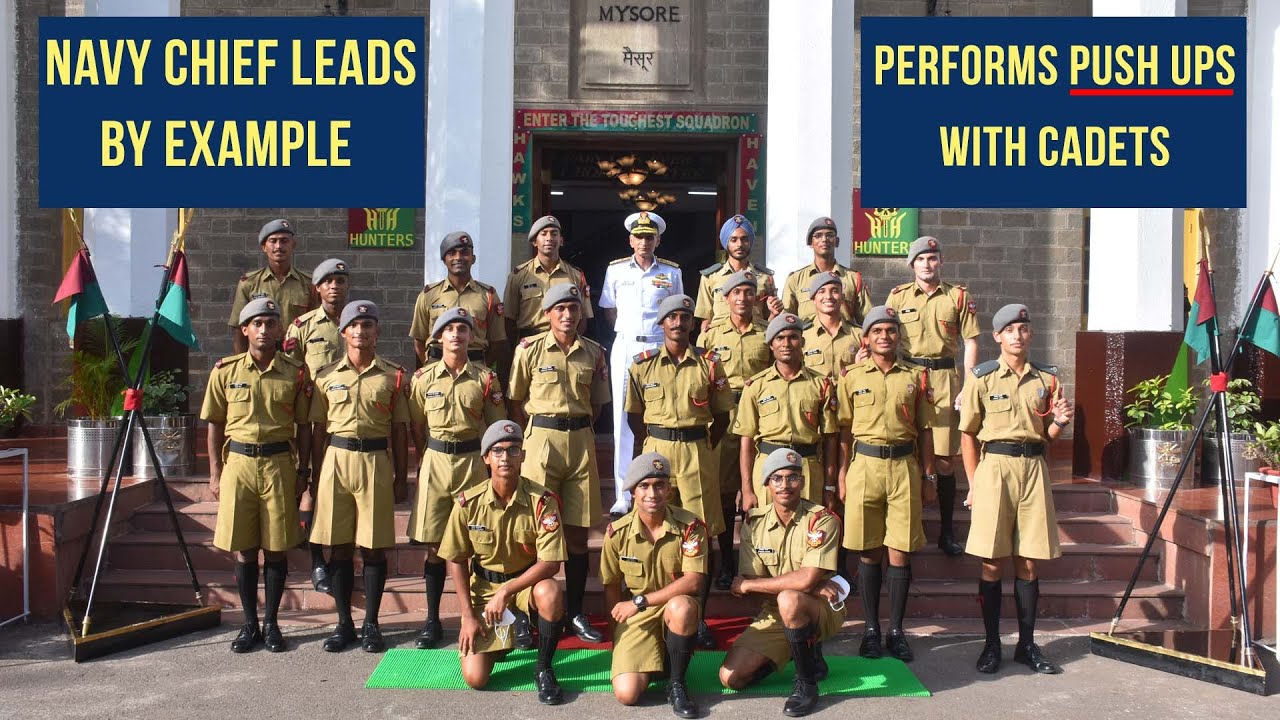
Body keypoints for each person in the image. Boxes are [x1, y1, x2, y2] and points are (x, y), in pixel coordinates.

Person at [959, 303, 1073, 676]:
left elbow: (1047, 438)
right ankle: (991, 645)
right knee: (992, 561)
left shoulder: (1047, 380)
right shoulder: (982, 377)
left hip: (1033, 468)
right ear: (997, 337)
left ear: (1031, 334)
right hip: (995, 470)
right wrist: (974, 484)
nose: (1018, 335)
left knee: (1028, 560)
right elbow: (968, 435)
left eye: (1023, 329)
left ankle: (1026, 645)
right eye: (1010, 330)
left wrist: (1059, 423)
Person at [201, 298, 311, 654]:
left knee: (277, 548)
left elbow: (305, 427)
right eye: (257, 323)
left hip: (279, 464)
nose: (265, 330)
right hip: (240, 466)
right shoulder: (225, 371)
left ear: (280, 329)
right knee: (245, 550)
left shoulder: (295, 372)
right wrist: (214, 474)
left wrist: (303, 472)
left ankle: (273, 624)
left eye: (271, 323)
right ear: (245, 330)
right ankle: (250, 624)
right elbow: (215, 424)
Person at [626, 293, 732, 649]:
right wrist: (657, 442)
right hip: (656, 447)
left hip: (695, 451)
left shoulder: (710, 364)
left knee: (700, 531)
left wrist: (697, 446)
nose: (678, 323)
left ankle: (697, 615)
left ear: (691, 323)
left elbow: (722, 417)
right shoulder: (642, 365)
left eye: (684, 317)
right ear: (661, 324)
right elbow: (634, 417)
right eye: (671, 317)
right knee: (653, 526)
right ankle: (655, 608)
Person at [508, 282, 611, 644]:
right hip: (542, 442)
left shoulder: (594, 353)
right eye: (560, 309)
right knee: (534, 531)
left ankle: (576, 612)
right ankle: (525, 614)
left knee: (579, 533)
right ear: (547, 314)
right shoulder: (529, 350)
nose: (568, 315)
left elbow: (597, 405)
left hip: (580, 441)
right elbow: (516, 400)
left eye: (574, 308)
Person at [439, 421, 568, 705]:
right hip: (485, 589)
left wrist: (507, 591)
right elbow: (456, 559)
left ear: (523, 456)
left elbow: (551, 562)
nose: (505, 458)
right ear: (486, 458)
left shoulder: (541, 501)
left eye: (513, 451)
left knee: (551, 591)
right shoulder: (467, 503)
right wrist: (467, 615)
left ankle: (544, 667)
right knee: (476, 679)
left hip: (524, 587)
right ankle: (503, 640)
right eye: (497, 451)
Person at [308, 301, 410, 653]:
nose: (361, 331)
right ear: (343, 332)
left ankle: (372, 624)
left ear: (377, 332)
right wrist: (316, 475)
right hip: (336, 461)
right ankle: (343, 624)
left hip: (375, 461)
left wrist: (400, 477)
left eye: (368, 325)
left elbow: (400, 430)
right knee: (337, 546)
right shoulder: (326, 377)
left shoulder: (393, 376)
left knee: (373, 546)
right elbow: (318, 431)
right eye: (355, 325)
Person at [836, 306, 933, 662]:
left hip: (904, 466)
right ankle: (871, 630)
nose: (884, 337)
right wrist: (842, 473)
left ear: (898, 336)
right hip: (864, 466)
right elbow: (844, 429)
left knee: (901, 550)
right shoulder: (851, 376)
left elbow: (925, 430)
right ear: (866, 338)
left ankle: (896, 630)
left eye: (891, 331)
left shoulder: (917, 377)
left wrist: (929, 474)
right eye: (877, 331)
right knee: (867, 550)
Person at [407, 307, 507, 650]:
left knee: (479, 543)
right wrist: (427, 456)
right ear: (437, 338)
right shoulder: (422, 379)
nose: (456, 334)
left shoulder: (486, 379)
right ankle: (432, 620)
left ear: (472, 337)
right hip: (436, 462)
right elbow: (416, 426)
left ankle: (487, 619)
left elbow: (495, 429)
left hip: (471, 463)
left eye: (463, 329)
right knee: (436, 545)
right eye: (449, 329)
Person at [719, 449, 843, 718]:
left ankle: (806, 684)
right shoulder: (754, 522)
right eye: (777, 479)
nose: (785, 485)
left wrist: (807, 585)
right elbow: (749, 579)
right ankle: (801, 652)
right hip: (776, 610)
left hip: (821, 606)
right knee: (731, 678)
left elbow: (751, 585)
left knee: (790, 598)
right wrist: (805, 582)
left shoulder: (821, 520)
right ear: (767, 484)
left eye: (792, 478)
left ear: (803, 481)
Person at [886, 236, 980, 557]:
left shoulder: (957, 296)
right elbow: (882, 336)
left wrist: (969, 385)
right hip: (908, 377)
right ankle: (909, 529)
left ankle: (947, 532)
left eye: (933, 258)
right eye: (921, 259)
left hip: (944, 380)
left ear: (941, 261)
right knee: (907, 452)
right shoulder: (898, 297)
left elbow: (972, 342)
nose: (928, 264)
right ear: (912, 264)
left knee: (943, 459)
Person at [600, 452, 706, 718]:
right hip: (639, 617)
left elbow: (693, 580)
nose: (652, 493)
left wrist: (640, 601)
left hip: (668, 606)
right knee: (627, 694)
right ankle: (658, 660)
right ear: (633, 491)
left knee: (682, 607)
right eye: (644, 486)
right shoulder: (617, 533)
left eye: (659, 485)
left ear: (669, 489)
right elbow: (611, 585)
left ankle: (677, 683)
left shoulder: (689, 526)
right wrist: (617, 637)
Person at [599, 210, 684, 518]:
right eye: (639, 237)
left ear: (658, 239)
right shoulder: (617, 271)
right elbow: (609, 310)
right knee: (622, 418)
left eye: (650, 237)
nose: (644, 242)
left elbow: (676, 312)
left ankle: (660, 485)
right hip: (627, 344)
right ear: (630, 240)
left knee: (659, 415)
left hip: (659, 345)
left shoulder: (672, 273)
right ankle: (624, 493)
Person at [696, 269, 771, 591]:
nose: (742, 298)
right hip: (725, 415)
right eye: (735, 293)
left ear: (756, 298)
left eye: (747, 292)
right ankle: (726, 562)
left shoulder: (768, 332)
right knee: (726, 494)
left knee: (763, 490)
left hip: (763, 415)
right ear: (725, 299)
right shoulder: (711, 335)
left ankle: (762, 563)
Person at [283, 257, 349, 594]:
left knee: (333, 492)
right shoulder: (302, 327)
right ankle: (317, 562)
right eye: (328, 282)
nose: (335, 287)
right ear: (318, 288)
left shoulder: (356, 323)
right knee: (309, 488)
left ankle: (339, 561)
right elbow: (290, 375)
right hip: (309, 421)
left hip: (343, 422)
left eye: (340, 282)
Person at [733, 313, 839, 513]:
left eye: (793, 337)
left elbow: (830, 438)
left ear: (802, 341)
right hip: (768, 466)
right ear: (771, 345)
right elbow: (746, 440)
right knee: (766, 535)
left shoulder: (820, 384)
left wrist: (829, 485)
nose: (787, 343)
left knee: (808, 534)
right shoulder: (756, 385)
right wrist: (747, 489)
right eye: (780, 338)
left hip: (807, 467)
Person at [409, 231, 508, 373]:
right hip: (435, 368)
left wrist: (481, 366)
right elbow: (419, 340)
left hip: (475, 368)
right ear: (444, 259)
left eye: (464, 252)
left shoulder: (488, 295)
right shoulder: (429, 295)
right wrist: (430, 366)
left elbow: (497, 341)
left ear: (473, 258)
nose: (458, 258)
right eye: (452, 253)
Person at [228, 218, 316, 353]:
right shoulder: (249, 283)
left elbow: (316, 326)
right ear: (264, 247)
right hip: (260, 358)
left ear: (293, 245)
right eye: (273, 241)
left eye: (284, 241)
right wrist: (244, 368)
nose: (279, 246)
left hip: (296, 359)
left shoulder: (309, 284)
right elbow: (239, 330)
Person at [503, 214, 593, 341]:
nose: (549, 238)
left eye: (554, 234)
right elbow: (509, 319)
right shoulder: (519, 275)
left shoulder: (575, 275)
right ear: (534, 241)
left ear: (561, 240)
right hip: (530, 345)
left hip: (564, 343)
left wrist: (570, 342)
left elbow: (583, 317)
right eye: (544, 234)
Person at [779, 216, 872, 326]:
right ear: (810, 243)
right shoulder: (796, 279)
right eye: (818, 236)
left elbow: (867, 321)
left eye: (829, 235)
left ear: (836, 242)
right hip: (807, 341)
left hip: (845, 340)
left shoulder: (853, 278)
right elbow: (786, 320)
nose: (824, 239)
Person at [694, 214, 780, 332]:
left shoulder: (765, 277)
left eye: (744, 239)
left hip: (755, 341)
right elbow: (706, 322)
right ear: (726, 243)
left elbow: (770, 318)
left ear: (750, 242)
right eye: (733, 240)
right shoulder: (710, 277)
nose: (739, 245)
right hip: (721, 344)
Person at [802, 272, 865, 380]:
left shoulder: (859, 335)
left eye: (835, 291)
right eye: (822, 291)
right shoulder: (803, 336)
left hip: (847, 395)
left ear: (842, 298)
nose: (828, 296)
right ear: (813, 299)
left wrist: (860, 367)